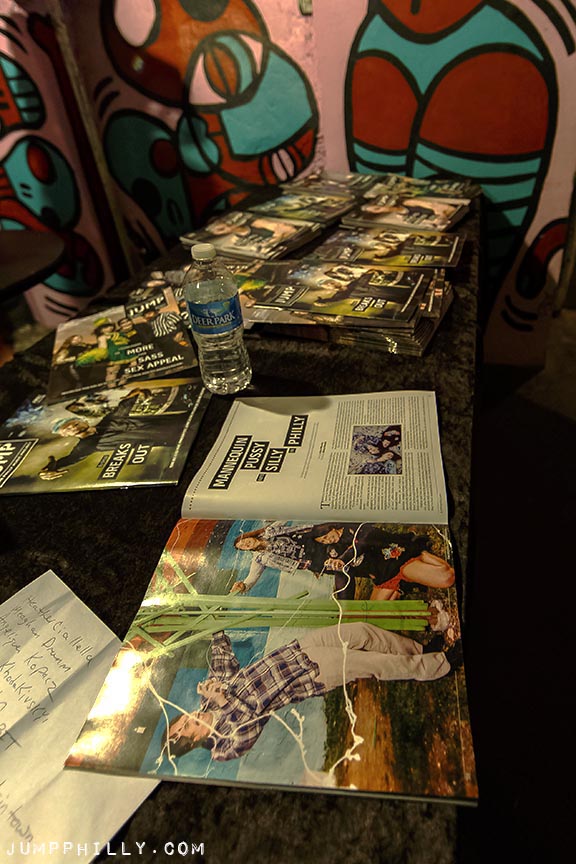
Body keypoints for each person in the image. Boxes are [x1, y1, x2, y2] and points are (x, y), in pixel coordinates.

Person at [166, 623, 458, 762]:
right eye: (187, 726)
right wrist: (224, 699)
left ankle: (420, 651)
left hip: (298, 650)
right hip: (313, 674)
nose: (190, 716)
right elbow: (250, 728)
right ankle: (440, 665)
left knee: (363, 632)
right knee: (376, 664)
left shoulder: (207, 701)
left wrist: (214, 628)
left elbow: (222, 662)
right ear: (192, 741)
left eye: (183, 718)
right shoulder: (221, 748)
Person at [230, 521, 454, 601]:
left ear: (248, 537)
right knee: (349, 570)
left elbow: (284, 516)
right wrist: (244, 586)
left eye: (245, 541)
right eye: (244, 547)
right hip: (316, 562)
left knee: (350, 556)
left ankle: (416, 554)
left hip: (318, 545)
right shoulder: (260, 558)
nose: (247, 545)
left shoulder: (270, 531)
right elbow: (252, 577)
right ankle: (402, 585)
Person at [38, 388, 185, 480]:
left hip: (182, 420)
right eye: (67, 429)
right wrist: (52, 468)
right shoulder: (87, 446)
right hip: (177, 438)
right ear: (65, 435)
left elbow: (125, 404)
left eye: (74, 423)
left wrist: (138, 392)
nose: (72, 427)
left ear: (83, 421)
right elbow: (73, 458)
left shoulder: (109, 420)